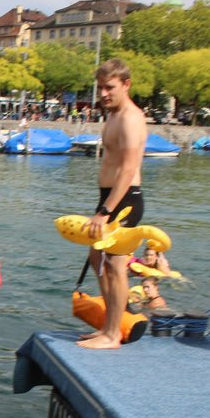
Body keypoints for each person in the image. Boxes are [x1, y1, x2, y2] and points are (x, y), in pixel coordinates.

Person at [77, 58, 148, 349]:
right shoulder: (113, 115)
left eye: (110, 87)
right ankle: (109, 325)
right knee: (97, 259)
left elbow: (129, 168)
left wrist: (106, 212)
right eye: (100, 88)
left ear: (126, 85)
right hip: (109, 198)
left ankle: (113, 334)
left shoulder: (131, 117)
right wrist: (103, 205)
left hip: (125, 200)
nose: (103, 93)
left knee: (116, 266)